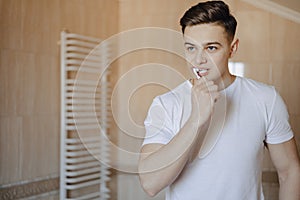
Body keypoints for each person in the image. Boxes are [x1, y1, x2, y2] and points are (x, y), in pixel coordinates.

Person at [138, 1, 300, 200]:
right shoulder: (166, 104)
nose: (198, 60)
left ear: (233, 48)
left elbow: (289, 171)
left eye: (211, 48)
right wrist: (196, 120)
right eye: (191, 48)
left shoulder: (266, 99)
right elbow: (150, 184)